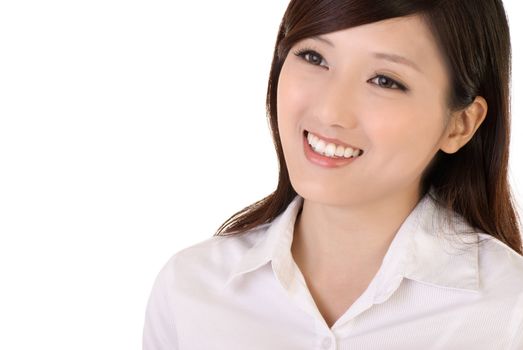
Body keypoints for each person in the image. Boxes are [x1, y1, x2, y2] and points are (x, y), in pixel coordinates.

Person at [143, 0, 523, 349]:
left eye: (385, 80)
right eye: (314, 56)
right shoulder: (190, 291)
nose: (329, 112)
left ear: (460, 124)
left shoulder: (510, 313)